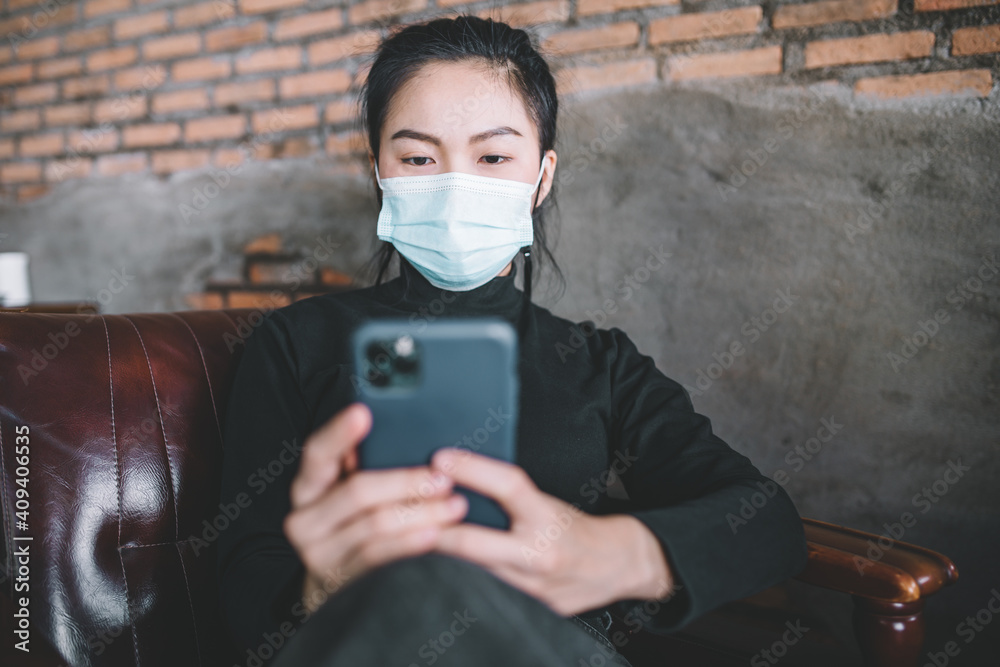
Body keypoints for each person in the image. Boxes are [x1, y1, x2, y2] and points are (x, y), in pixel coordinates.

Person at [216, 14, 808, 667]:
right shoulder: (296, 340)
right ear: (381, 172)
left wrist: (617, 555)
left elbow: (766, 520)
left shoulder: (599, 363)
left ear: (542, 177)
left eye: (493, 156)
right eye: (417, 157)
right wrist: (321, 586)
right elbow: (243, 567)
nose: (453, 184)